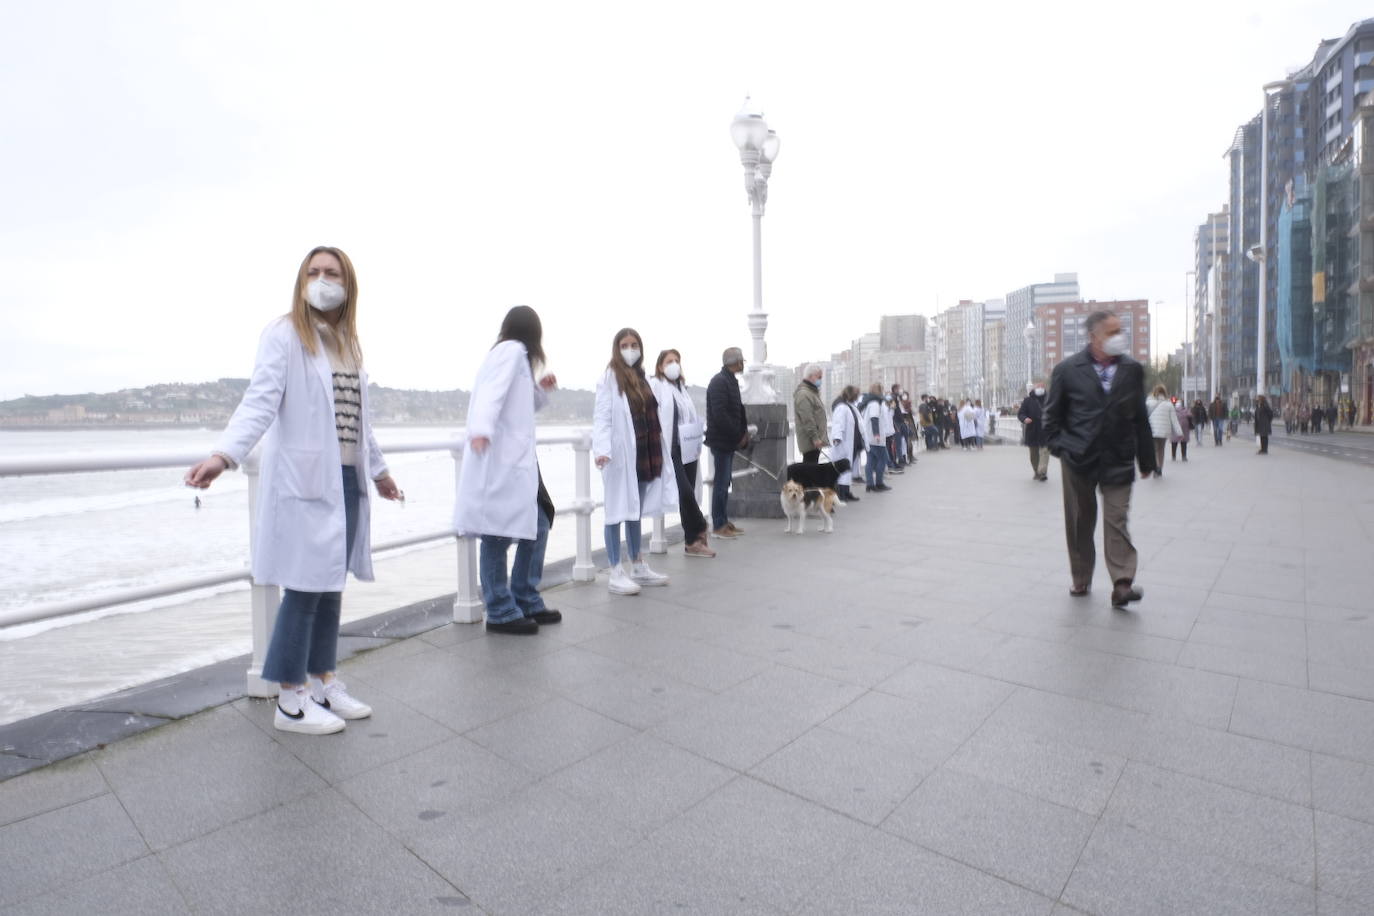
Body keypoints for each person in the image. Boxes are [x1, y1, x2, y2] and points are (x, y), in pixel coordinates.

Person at [185, 246, 401, 735]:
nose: (323, 280)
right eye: (315, 272)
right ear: (301, 280)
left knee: (330, 589)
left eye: (332, 273)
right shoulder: (285, 334)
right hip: (306, 482)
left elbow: (360, 424)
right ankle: (289, 700)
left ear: (349, 286)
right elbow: (259, 401)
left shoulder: (347, 342)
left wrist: (380, 472)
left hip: (344, 479)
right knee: (303, 590)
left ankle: (323, 681)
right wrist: (224, 456)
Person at [455, 306, 561, 636]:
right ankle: (500, 609)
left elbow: (520, 404)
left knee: (539, 524)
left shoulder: (514, 358)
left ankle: (524, 595)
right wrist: (481, 429)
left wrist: (541, 390)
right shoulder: (510, 352)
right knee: (497, 536)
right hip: (499, 460)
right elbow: (491, 394)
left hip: (516, 463)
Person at [1043, 309, 1156, 609]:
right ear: (1094, 337)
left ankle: (1122, 583)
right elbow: (1051, 417)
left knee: (1116, 519)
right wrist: (1062, 449)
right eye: (1112, 332)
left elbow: (1140, 417)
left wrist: (1147, 460)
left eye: (1121, 330)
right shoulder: (1067, 370)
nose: (1119, 337)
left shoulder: (1132, 369)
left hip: (1118, 457)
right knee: (1080, 521)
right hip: (1078, 459)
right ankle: (1081, 577)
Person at [594, 329, 676, 595]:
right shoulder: (610, 377)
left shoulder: (642, 377)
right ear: (617, 349)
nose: (631, 349)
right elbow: (603, 416)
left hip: (644, 452)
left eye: (635, 344)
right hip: (620, 455)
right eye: (625, 345)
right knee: (615, 512)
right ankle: (615, 570)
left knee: (634, 510)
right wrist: (603, 449)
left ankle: (637, 564)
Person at [650, 349, 715, 558]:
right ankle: (700, 525)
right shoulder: (657, 386)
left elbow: (688, 417)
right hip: (671, 449)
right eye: (669, 361)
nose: (674, 364)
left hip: (688, 448)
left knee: (689, 493)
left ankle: (691, 542)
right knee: (685, 492)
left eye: (677, 360)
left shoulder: (682, 390)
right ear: (660, 366)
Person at [705, 347, 750, 539]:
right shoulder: (719, 382)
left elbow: (737, 411)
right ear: (736, 361)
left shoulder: (730, 380)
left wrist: (743, 432)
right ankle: (718, 525)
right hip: (721, 442)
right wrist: (737, 435)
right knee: (721, 484)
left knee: (725, 483)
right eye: (742, 361)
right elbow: (720, 415)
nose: (743, 365)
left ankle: (723, 521)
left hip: (728, 441)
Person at [830, 385, 863, 501]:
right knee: (843, 469)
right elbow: (838, 423)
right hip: (843, 442)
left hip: (851, 442)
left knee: (847, 469)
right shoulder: (841, 407)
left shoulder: (849, 406)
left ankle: (846, 491)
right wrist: (837, 437)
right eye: (855, 395)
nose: (856, 398)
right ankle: (841, 493)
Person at [859, 383, 891, 492]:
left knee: (871, 461)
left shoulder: (868, 403)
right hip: (875, 438)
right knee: (883, 459)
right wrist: (877, 434)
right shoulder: (875, 404)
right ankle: (879, 482)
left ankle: (870, 485)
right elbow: (874, 419)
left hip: (869, 437)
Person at [793, 364, 828, 464]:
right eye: (819, 377)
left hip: (814, 442)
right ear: (811, 376)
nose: (820, 380)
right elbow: (807, 419)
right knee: (809, 469)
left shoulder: (811, 393)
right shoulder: (804, 394)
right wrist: (815, 438)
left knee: (811, 471)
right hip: (810, 443)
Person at [1146, 385, 1182, 477]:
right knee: (1161, 450)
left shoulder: (1149, 403)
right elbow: (1174, 420)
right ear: (1164, 393)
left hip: (1152, 431)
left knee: (1154, 450)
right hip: (1163, 432)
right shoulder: (1169, 404)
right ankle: (1159, 468)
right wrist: (1179, 433)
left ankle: (1155, 467)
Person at [1018, 382, 1050, 481]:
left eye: (1042, 386)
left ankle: (1042, 472)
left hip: (1045, 430)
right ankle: (1037, 471)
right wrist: (1025, 419)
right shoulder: (1028, 400)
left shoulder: (1050, 399)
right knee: (1034, 454)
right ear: (1034, 388)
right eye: (1038, 386)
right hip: (1032, 429)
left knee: (1045, 452)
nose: (1040, 388)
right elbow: (1021, 413)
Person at [1170, 397, 1192, 462]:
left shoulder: (1173, 410)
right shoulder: (1185, 410)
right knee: (1183, 443)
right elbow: (1190, 415)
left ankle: (1174, 456)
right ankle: (1184, 456)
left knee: (1174, 443)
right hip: (1183, 429)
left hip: (1175, 429)